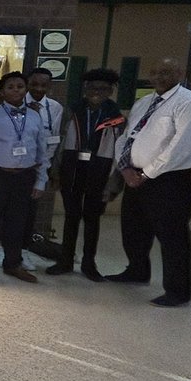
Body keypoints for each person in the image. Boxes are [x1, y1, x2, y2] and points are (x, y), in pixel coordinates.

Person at [108, 58, 191, 307]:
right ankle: (137, 271)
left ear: (180, 72)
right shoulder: (144, 102)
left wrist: (147, 174)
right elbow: (127, 137)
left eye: (167, 72)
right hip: (135, 175)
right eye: (155, 72)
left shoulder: (190, 103)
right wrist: (125, 169)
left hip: (171, 180)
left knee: (172, 235)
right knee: (134, 228)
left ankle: (177, 292)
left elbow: (181, 147)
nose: (160, 77)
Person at [46, 68, 125, 281]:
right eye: (92, 87)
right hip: (72, 168)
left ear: (110, 91)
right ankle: (65, 260)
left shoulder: (116, 117)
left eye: (102, 88)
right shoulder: (71, 111)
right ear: (85, 89)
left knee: (92, 218)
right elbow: (58, 142)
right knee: (71, 216)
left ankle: (89, 264)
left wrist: (114, 184)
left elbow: (122, 153)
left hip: (100, 170)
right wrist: (54, 172)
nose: (96, 92)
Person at [0, 71, 49, 283]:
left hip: (25, 177)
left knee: (17, 223)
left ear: (25, 90)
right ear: (2, 92)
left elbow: (41, 151)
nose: (15, 90)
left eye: (19, 87)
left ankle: (12, 263)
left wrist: (41, 179)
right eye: (10, 87)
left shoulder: (35, 117)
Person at [21, 66, 65, 268]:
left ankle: (25, 250)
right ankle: (8, 249)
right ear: (28, 84)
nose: (38, 88)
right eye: (34, 84)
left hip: (39, 167)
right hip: (15, 166)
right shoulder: (17, 102)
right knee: (11, 210)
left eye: (43, 85)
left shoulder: (54, 108)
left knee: (31, 210)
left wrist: (43, 164)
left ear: (50, 86)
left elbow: (54, 138)